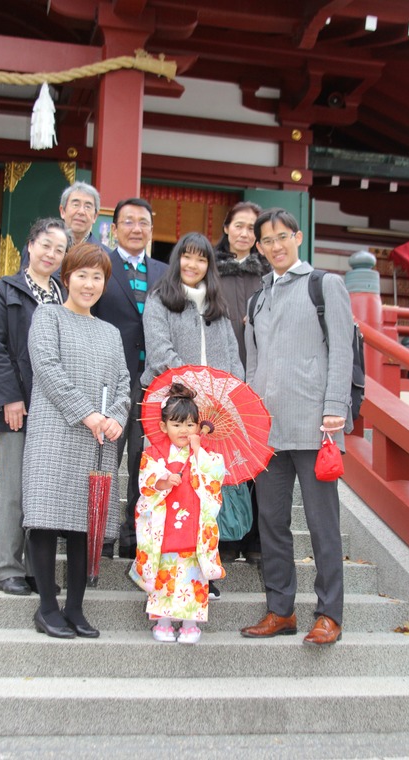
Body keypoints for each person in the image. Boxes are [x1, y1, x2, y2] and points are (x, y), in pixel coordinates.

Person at [239, 207, 354, 647]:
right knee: (271, 521)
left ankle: (329, 613)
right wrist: (246, 418)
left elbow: (341, 351)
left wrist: (334, 408)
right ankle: (280, 609)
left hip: (315, 423)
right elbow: (253, 365)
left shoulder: (324, 285)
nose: (275, 247)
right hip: (268, 429)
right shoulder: (258, 296)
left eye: (282, 237)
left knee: (322, 522)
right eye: (266, 241)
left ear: (298, 237)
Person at [22, 243, 131, 639]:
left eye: (97, 276)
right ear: (66, 278)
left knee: (87, 523)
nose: (89, 284)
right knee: (48, 519)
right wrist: (88, 413)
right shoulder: (47, 316)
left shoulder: (111, 331)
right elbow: (47, 368)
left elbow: (124, 381)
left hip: (99, 439)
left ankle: (76, 608)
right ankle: (48, 607)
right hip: (57, 431)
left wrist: (117, 417)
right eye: (81, 275)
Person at [140, 231, 243, 598]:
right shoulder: (160, 300)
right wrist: (195, 386)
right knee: (170, 489)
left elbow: (232, 358)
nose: (193, 265)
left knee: (204, 492)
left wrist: (230, 394)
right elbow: (159, 351)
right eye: (187, 256)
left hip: (211, 415)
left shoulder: (217, 307)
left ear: (209, 266)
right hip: (173, 408)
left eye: (201, 259)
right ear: (177, 259)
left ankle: (203, 571)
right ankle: (155, 568)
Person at [0, 218, 69, 597]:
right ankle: (8, 567)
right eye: (46, 245)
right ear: (30, 246)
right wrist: (10, 398)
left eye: (59, 249)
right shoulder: (4, 290)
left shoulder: (65, 295)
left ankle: (38, 568)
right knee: (15, 490)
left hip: (55, 409)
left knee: (44, 491)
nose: (51, 254)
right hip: (17, 405)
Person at [92, 197, 168, 559]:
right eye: (129, 222)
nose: (136, 229)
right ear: (115, 227)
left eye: (143, 223)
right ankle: (101, 534)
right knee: (106, 455)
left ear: (151, 229)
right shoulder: (99, 265)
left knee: (144, 458)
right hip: (110, 378)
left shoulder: (165, 272)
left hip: (153, 382)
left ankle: (134, 534)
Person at [129, 382, 226, 644]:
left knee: (192, 575)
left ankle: (190, 623)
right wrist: (163, 481)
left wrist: (198, 454)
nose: (184, 430)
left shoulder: (205, 454)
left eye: (190, 424)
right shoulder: (154, 454)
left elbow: (216, 476)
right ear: (163, 427)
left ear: (198, 426)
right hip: (165, 524)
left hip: (193, 525)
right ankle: (162, 621)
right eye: (177, 424)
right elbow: (146, 483)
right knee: (165, 573)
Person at [212, 200, 269, 566]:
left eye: (252, 228)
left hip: (262, 375)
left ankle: (257, 539)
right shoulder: (210, 269)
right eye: (239, 226)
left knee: (259, 459)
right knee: (224, 458)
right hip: (221, 378)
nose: (245, 233)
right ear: (227, 227)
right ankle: (227, 536)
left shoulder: (268, 273)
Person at [18, 181, 103, 271]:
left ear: (95, 216)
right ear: (62, 211)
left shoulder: (105, 255)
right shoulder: (36, 248)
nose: (81, 212)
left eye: (87, 207)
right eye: (75, 205)